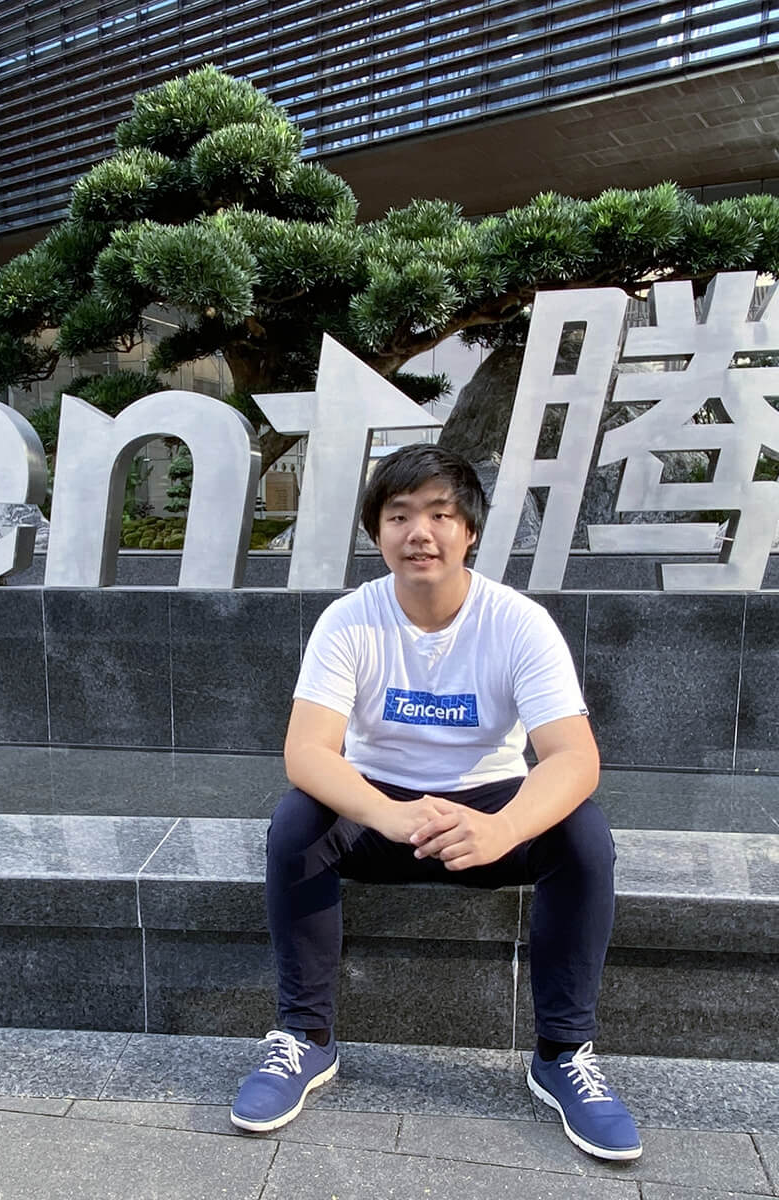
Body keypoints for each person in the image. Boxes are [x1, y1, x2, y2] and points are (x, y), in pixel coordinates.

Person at [230, 443, 640, 1161]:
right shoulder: (349, 621)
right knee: (298, 818)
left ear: (469, 531)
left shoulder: (517, 622)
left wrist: (501, 827)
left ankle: (563, 1055)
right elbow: (308, 750)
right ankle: (306, 1038)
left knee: (583, 834)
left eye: (440, 515)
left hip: (488, 811)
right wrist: (385, 812)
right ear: (377, 532)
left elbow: (575, 757)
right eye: (399, 515)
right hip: (381, 812)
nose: (420, 532)